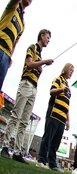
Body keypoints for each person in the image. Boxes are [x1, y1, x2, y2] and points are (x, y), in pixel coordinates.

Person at [1, 29, 53, 162]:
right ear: (41, 36)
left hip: (34, 87)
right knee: (16, 115)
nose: (48, 40)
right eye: (47, 37)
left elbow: (36, 68)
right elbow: (29, 64)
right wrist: (42, 63)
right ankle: (5, 146)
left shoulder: (40, 55)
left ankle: (17, 151)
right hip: (26, 83)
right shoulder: (33, 47)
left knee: (24, 121)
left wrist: (41, 65)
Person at [0, 0, 53, 91]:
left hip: (6, 57)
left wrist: (10, 57)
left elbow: (15, 42)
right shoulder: (13, 6)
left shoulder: (23, 23)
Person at [36, 63, 73, 171]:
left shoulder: (67, 85)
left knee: (56, 142)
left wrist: (68, 120)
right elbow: (51, 91)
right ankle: (41, 160)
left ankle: (52, 163)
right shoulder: (58, 79)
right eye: (71, 70)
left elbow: (67, 104)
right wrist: (62, 89)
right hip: (54, 113)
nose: (72, 72)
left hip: (62, 117)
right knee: (48, 138)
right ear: (65, 69)